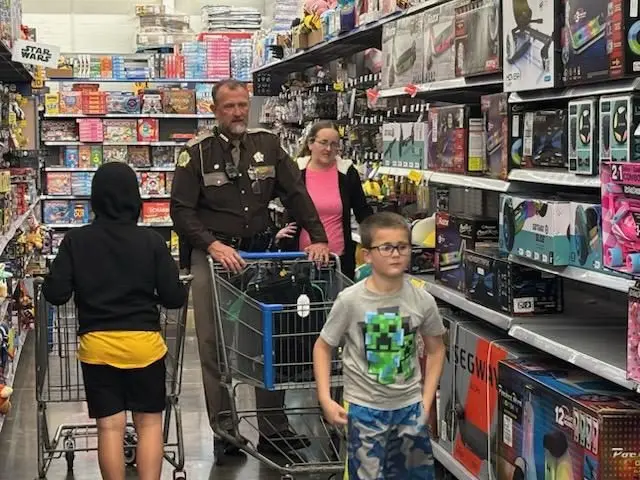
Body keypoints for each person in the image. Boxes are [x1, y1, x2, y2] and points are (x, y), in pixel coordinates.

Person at [170, 78, 330, 457]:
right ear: (214, 111)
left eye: (242, 105)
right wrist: (212, 245)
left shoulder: (268, 145)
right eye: (229, 106)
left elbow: (297, 193)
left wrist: (318, 236)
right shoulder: (195, 154)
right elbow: (180, 211)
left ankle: (273, 429)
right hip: (213, 257)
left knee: (266, 340)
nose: (238, 112)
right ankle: (225, 431)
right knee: (214, 345)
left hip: (260, 256)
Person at [43, 162, 188, 480]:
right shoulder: (151, 241)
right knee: (149, 423)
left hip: (98, 348)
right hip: (144, 347)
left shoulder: (76, 241)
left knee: (109, 426)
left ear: (95, 198)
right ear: (134, 198)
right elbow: (173, 297)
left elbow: (56, 294)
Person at [313, 211, 447, 479]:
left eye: (402, 247)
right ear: (367, 255)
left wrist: (426, 400)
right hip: (364, 411)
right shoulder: (350, 300)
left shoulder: (422, 300)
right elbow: (323, 347)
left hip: (409, 410)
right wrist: (325, 398)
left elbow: (437, 348)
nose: (395, 254)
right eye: (386, 247)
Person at [277, 121, 373, 279]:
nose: (328, 149)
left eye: (334, 144)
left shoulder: (347, 173)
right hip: (298, 260)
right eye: (323, 143)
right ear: (310, 143)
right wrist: (276, 232)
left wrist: (380, 238)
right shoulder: (296, 172)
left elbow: (362, 211)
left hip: (337, 262)